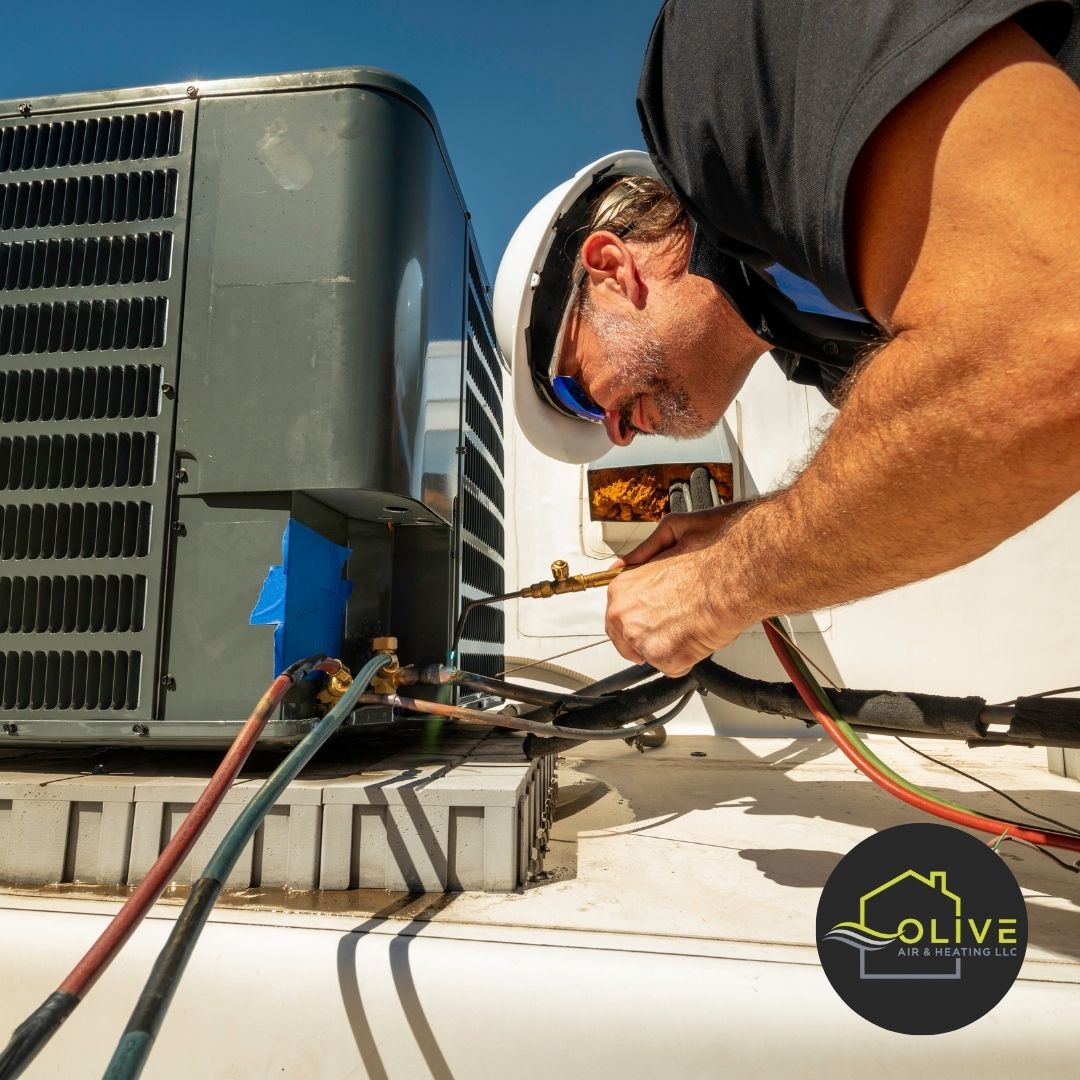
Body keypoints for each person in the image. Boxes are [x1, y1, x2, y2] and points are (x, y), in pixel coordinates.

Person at [492, 1, 1080, 678]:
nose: (617, 434)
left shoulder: (717, 67)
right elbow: (987, 443)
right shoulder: (828, 349)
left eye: (580, 390)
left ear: (609, 270)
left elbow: (1042, 339)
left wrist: (721, 586)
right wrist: (745, 533)